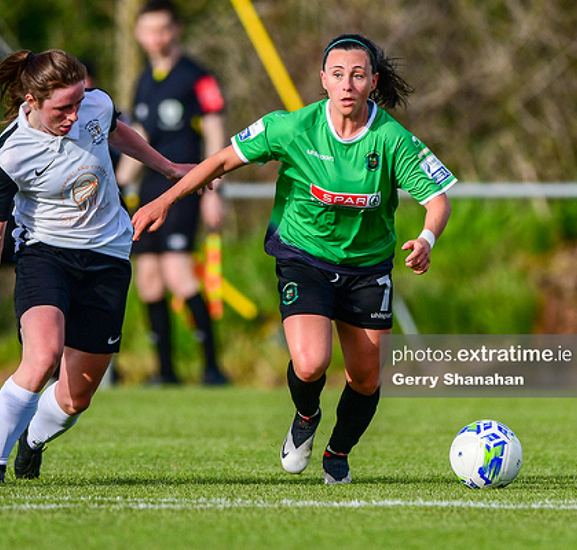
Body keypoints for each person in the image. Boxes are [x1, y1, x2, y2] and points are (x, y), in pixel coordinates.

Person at [132, 34, 456, 484]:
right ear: (323, 80)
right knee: (310, 363)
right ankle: (306, 417)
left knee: (365, 378)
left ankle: (337, 451)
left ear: (373, 81)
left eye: (358, 75)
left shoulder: (392, 140)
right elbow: (221, 160)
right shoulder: (293, 127)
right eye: (338, 74)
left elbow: (437, 200)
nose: (347, 84)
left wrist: (426, 239)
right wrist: (164, 201)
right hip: (304, 256)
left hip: (367, 267)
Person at [0, 49, 193, 484]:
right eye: (63, 108)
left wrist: (170, 168)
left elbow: (117, 133)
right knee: (43, 355)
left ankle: (32, 442)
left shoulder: (94, 105)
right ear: (32, 99)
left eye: (79, 102)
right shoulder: (10, 155)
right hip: (46, 254)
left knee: (76, 397)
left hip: (108, 256)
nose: (74, 114)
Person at [117, 0, 228, 386]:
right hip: (148, 190)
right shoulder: (144, 79)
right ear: (138, 34)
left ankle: (212, 367)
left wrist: (215, 189)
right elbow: (140, 139)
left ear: (176, 29)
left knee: (178, 273)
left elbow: (216, 131)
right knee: (147, 277)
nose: (156, 38)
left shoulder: (198, 76)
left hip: (187, 187)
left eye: (163, 29)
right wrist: (116, 184)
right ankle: (165, 371)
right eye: (148, 30)